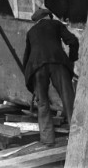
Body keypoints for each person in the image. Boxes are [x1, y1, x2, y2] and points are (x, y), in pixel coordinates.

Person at [23, 8, 79, 146]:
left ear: (36, 21)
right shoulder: (56, 25)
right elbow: (73, 41)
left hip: (37, 67)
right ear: (49, 16)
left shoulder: (31, 32)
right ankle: (76, 136)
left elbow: (26, 58)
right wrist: (72, 58)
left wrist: (29, 76)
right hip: (57, 62)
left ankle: (47, 140)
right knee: (68, 98)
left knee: (42, 103)